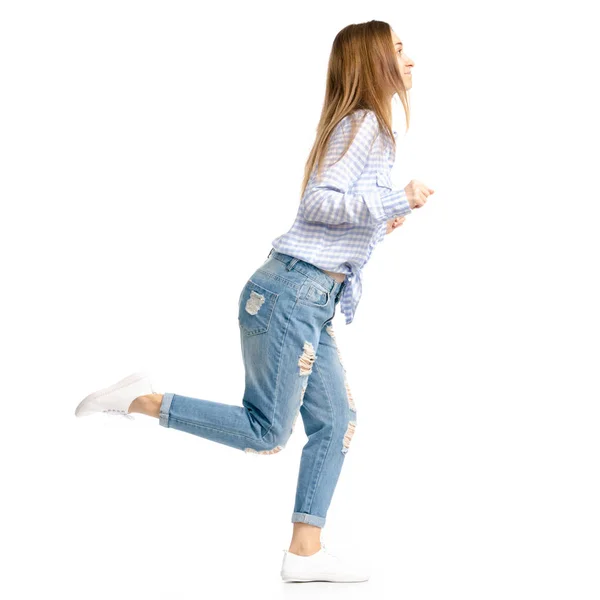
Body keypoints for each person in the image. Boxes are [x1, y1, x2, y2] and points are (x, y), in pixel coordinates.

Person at [74, 20, 434, 583]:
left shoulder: (369, 127)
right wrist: (395, 196)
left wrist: (389, 216)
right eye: (399, 50)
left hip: (305, 296)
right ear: (373, 62)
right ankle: (140, 401)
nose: (410, 59)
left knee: (337, 419)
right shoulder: (366, 125)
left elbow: (337, 223)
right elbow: (319, 202)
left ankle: (304, 554)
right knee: (268, 432)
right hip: (290, 294)